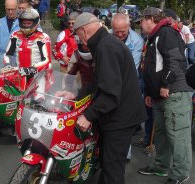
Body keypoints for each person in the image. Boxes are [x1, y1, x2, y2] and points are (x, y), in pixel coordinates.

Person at [58, 12, 146, 184]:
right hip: (119, 115)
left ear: (83, 30)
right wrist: (75, 95)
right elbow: (98, 82)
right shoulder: (105, 43)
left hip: (120, 118)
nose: (77, 39)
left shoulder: (106, 47)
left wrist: (89, 115)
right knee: (107, 163)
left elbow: (110, 93)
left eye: (77, 34)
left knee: (112, 168)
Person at [138, 7, 193, 184]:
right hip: (160, 95)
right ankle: (161, 166)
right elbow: (152, 67)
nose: (140, 25)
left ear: (150, 19)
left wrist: (165, 85)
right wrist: (149, 92)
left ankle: (181, 173)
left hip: (174, 93)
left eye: (141, 21)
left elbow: (175, 60)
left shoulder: (166, 33)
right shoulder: (154, 36)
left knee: (178, 136)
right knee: (161, 133)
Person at [111, 12, 144, 161]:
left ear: (129, 27)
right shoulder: (108, 36)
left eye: (122, 32)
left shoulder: (136, 40)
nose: (118, 35)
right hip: (111, 81)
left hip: (128, 84)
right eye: (115, 31)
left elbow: (132, 66)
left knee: (125, 120)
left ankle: (126, 154)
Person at [4, 8, 51, 96]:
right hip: (20, 74)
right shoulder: (15, 34)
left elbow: (47, 60)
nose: (25, 25)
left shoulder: (43, 37)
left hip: (37, 75)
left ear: (36, 23)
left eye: (29, 23)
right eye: (24, 23)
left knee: (38, 100)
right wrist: (7, 65)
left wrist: (32, 69)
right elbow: (7, 54)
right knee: (14, 98)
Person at [0, 0, 19, 68]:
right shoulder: (0, 23)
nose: (10, 12)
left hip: (17, 59)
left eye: (13, 9)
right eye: (8, 9)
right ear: (5, 8)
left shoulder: (23, 23)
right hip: (1, 59)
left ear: (17, 8)